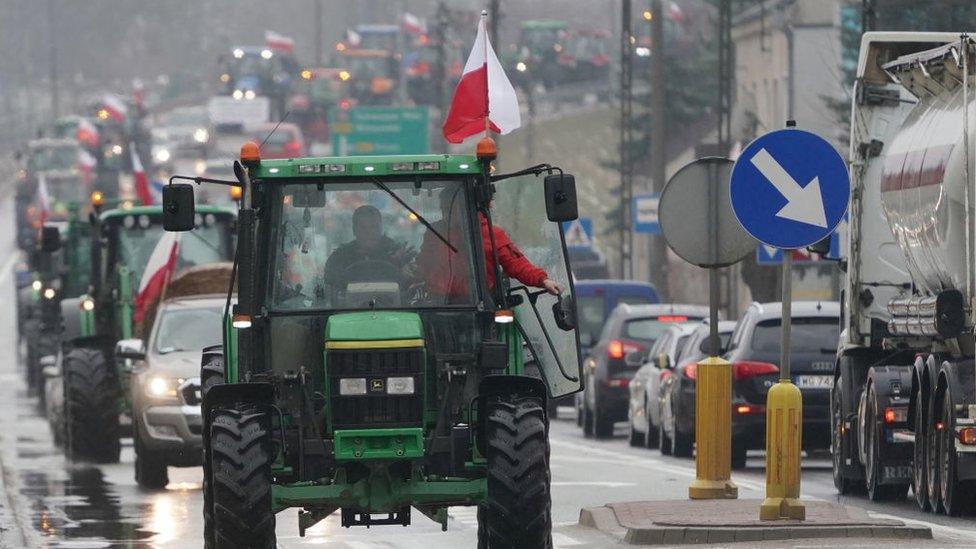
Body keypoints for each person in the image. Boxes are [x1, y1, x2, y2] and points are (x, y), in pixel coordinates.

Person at [415, 188, 562, 303]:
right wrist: (408, 273)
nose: (446, 213)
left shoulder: (489, 233)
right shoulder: (435, 232)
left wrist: (543, 281)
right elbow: (424, 263)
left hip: (477, 305)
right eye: (444, 209)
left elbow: (516, 263)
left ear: (465, 208)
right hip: (437, 303)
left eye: (450, 209)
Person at [322, 204, 412, 290]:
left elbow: (411, 290)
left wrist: (404, 273)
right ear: (354, 230)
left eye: (374, 227)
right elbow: (330, 291)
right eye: (363, 228)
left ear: (381, 228)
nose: (370, 232)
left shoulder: (400, 254)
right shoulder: (339, 258)